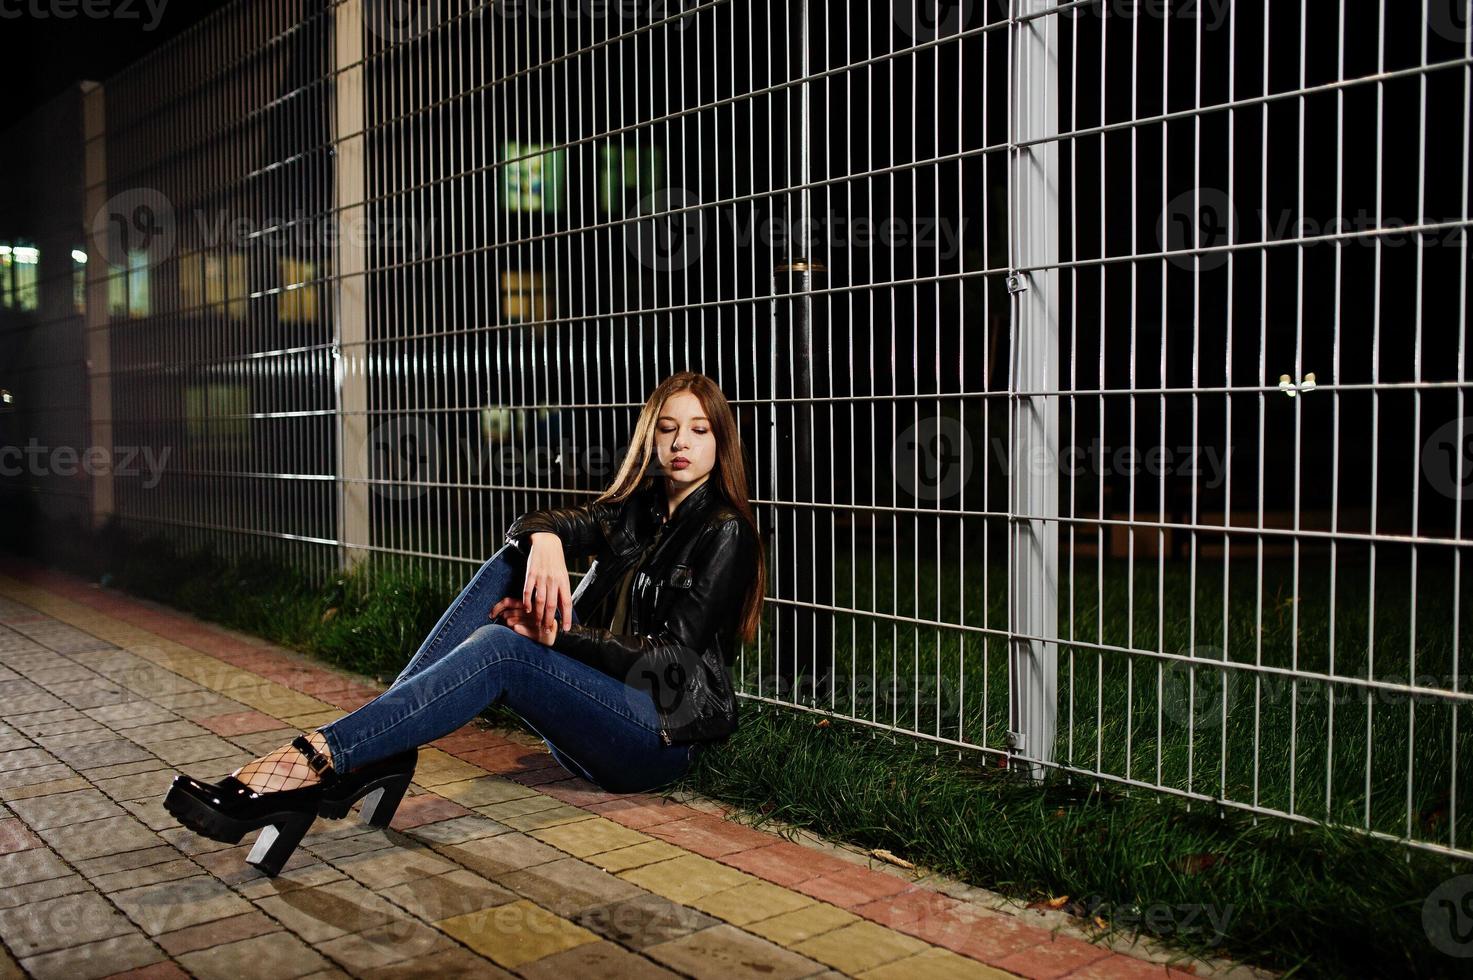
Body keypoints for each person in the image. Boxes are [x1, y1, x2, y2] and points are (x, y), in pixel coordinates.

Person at [162, 371, 766, 875]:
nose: (681, 442)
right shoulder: (639, 509)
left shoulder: (725, 531)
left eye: (698, 429)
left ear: (720, 443)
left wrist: (558, 636)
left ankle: (318, 758)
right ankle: (377, 751)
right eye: (667, 429)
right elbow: (541, 524)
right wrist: (547, 537)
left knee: (502, 648)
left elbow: (670, 665)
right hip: (598, 712)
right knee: (516, 559)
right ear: (650, 441)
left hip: (653, 737)